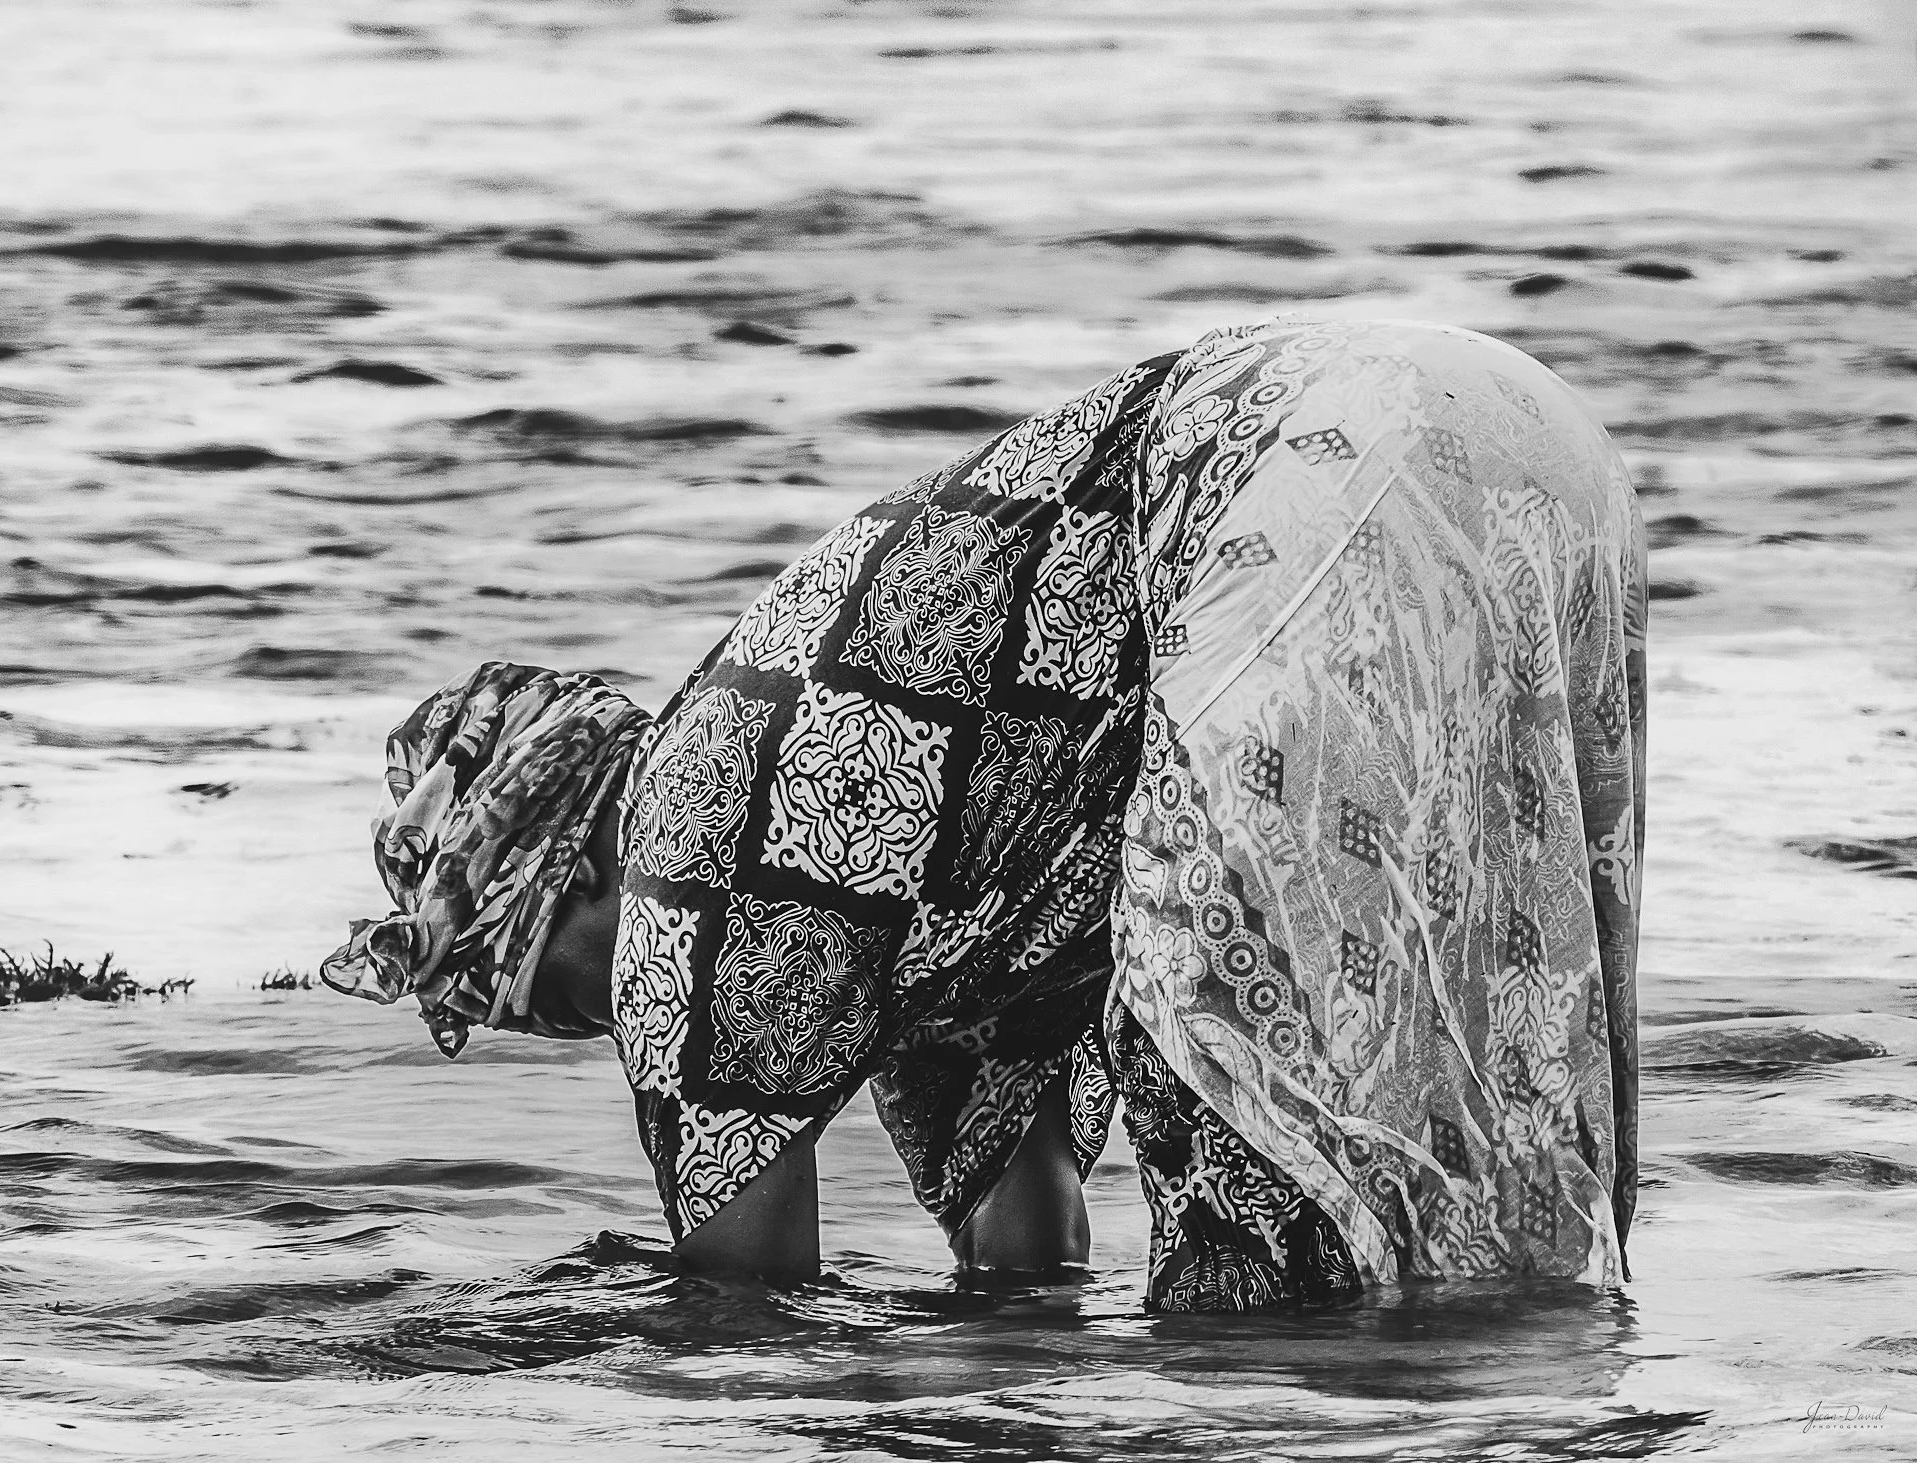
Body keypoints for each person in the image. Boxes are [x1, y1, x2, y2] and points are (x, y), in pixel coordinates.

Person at [323, 316, 1647, 1311]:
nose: (583, 1029)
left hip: (1289, 465)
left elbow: (743, 1309)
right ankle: (1524, 1386)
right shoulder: (896, 901)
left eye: (552, 992)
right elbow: (1034, 1263)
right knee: (1452, 1055)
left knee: (1244, 1109)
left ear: (572, 876)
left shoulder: (684, 846)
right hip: (1517, 429)